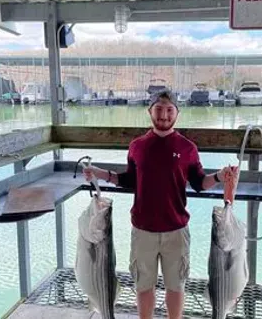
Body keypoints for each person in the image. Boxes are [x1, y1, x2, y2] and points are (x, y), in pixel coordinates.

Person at [83, 89, 235, 319]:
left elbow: (198, 183)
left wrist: (218, 177)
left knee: (176, 286)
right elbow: (129, 180)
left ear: (177, 113)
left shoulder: (187, 148)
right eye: (159, 110)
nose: (164, 115)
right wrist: (98, 173)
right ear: (150, 111)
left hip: (177, 229)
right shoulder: (137, 146)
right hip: (143, 229)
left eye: (169, 110)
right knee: (144, 286)